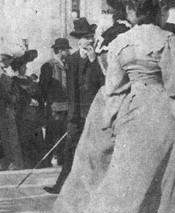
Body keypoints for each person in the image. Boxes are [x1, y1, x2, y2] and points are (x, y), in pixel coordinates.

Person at [36, 0, 175, 213]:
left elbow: (113, 89)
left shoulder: (120, 43)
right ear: (158, 12)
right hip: (162, 114)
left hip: (132, 113)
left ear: (136, 12)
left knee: (125, 182)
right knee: (164, 184)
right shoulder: (168, 40)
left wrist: (112, 122)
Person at [43, 17, 105, 194]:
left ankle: (95, 187)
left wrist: (93, 61)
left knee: (95, 150)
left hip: (93, 111)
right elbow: (70, 89)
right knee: (70, 150)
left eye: (91, 36)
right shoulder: (72, 60)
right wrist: (72, 114)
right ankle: (61, 186)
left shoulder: (97, 59)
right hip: (76, 113)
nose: (89, 40)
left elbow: (102, 82)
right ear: (79, 40)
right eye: (86, 37)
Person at [39, 38, 71, 167]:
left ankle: (62, 158)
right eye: (66, 49)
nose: (68, 52)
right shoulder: (49, 66)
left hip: (66, 105)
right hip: (54, 106)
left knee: (64, 132)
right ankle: (48, 160)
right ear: (61, 50)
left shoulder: (67, 65)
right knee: (52, 133)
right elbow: (43, 87)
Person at [11, 50, 44, 168]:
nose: (25, 68)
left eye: (25, 66)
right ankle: (28, 163)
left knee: (37, 136)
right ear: (18, 68)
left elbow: (38, 93)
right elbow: (17, 97)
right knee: (25, 138)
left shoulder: (30, 79)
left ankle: (38, 162)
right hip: (23, 113)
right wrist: (29, 101)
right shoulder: (14, 81)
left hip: (34, 113)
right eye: (22, 66)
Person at [0, 46, 26, 170]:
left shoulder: (6, 74)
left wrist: (12, 98)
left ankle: (13, 162)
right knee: (2, 136)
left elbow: (13, 94)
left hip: (6, 108)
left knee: (9, 136)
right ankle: (5, 162)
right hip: (0, 108)